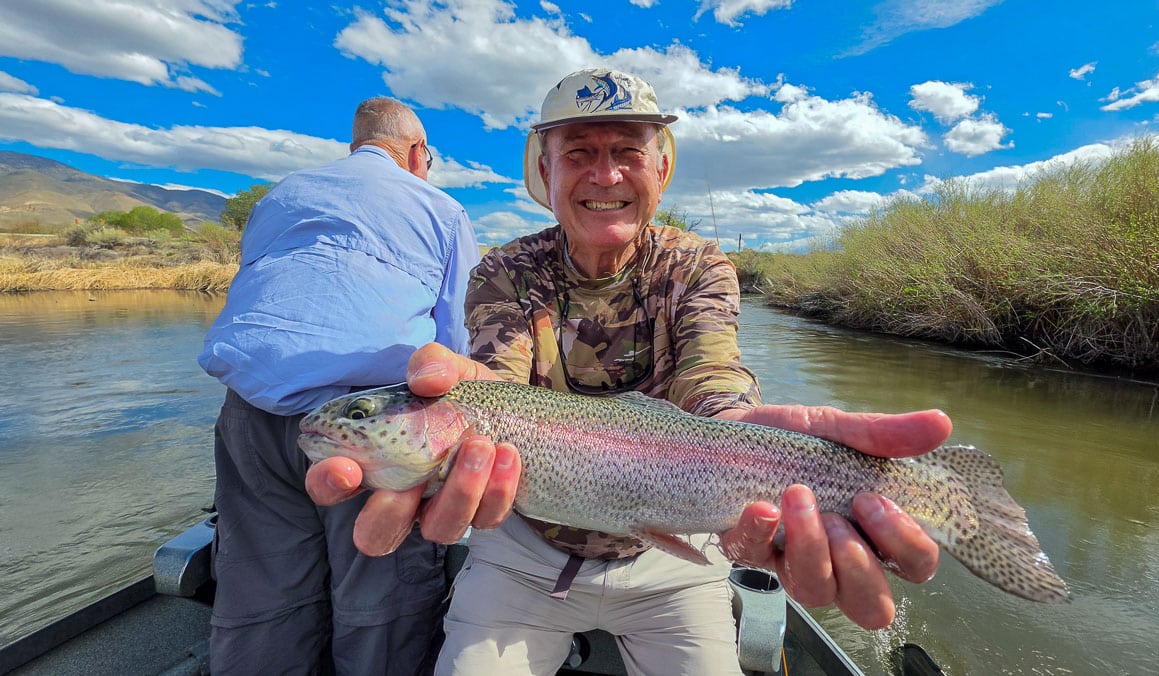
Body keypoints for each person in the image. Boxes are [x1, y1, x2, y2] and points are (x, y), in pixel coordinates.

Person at [307, 69, 950, 674]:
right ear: (546, 171)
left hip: (672, 559)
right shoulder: (505, 272)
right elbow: (495, 384)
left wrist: (742, 433)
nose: (605, 173)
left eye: (628, 151)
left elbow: (713, 381)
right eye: (579, 153)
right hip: (523, 552)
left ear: (660, 167)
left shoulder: (697, 265)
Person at [197, 96, 486, 675]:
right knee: (379, 597)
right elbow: (454, 350)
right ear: (417, 153)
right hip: (369, 423)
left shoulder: (281, 195)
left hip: (247, 415)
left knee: (258, 591)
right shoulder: (440, 208)